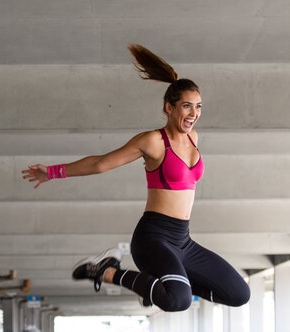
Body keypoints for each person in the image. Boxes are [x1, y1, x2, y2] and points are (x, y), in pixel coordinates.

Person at [22, 44, 250, 312]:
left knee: (238, 293)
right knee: (178, 301)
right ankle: (106, 272)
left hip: (183, 241)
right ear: (169, 107)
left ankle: (151, 285)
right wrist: (51, 172)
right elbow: (100, 163)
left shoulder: (193, 138)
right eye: (187, 106)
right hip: (153, 239)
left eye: (198, 107)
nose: (193, 114)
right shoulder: (153, 141)